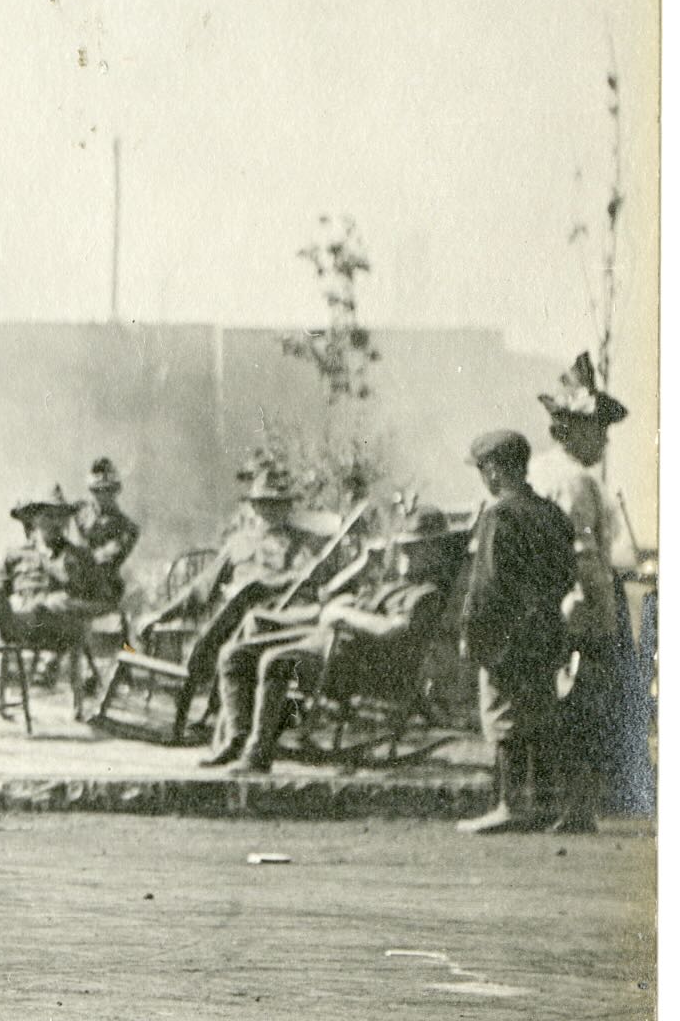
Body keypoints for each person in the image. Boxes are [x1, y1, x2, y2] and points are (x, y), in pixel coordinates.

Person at [203, 516, 454, 771]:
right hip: (331, 644)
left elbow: (390, 629)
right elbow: (332, 597)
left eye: (416, 548)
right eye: (405, 548)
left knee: (276, 661)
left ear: (435, 551)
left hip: (361, 667)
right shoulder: (392, 584)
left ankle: (257, 754)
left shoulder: (426, 595)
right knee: (234, 654)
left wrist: (345, 614)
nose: (406, 555)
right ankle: (237, 740)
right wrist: (356, 577)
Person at [458, 428, 578, 835]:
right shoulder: (552, 514)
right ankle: (542, 803)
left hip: (506, 635)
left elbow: (487, 585)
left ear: (495, 470)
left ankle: (509, 805)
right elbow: (566, 575)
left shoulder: (500, 516)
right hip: (544, 630)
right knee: (539, 713)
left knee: (503, 716)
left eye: (483, 470)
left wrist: (472, 632)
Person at [535, 354, 637, 831]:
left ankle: (565, 801)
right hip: (581, 603)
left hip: (550, 601)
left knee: (565, 699)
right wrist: (604, 611)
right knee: (586, 702)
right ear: (573, 430)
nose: (604, 440)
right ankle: (577, 805)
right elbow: (584, 554)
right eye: (598, 430)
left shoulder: (542, 471)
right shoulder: (575, 481)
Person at [172, 464, 325, 738]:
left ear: (288, 507)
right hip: (231, 613)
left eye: (280, 504)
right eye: (266, 504)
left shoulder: (300, 543)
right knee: (226, 620)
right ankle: (197, 713)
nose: (273, 511)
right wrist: (164, 612)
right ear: (254, 506)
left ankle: (222, 717)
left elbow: (306, 580)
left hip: (275, 618)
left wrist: (267, 584)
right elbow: (204, 585)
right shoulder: (239, 542)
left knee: (242, 610)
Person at [0, 490, 101, 669]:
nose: (56, 523)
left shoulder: (77, 556)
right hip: (20, 622)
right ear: (34, 520)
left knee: (52, 606)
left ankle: (45, 662)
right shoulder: (16, 554)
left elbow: (91, 595)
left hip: (58, 625)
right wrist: (0, 595)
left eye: (60, 517)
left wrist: (58, 598)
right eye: (49, 516)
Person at [70, 460, 141, 604]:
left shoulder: (128, 528)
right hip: (71, 578)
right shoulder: (77, 511)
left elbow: (105, 560)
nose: (102, 495)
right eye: (96, 490)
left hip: (102, 588)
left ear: (116, 490)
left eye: (108, 490)